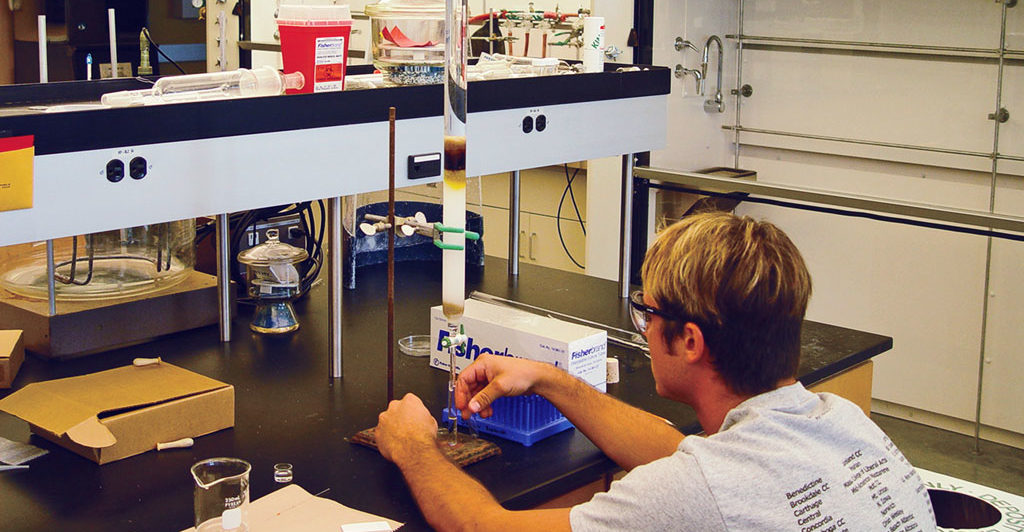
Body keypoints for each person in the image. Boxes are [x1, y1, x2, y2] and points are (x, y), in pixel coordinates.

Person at [374, 212, 936, 531]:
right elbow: (676, 452)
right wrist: (551, 379)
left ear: (690, 340)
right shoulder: (842, 422)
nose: (642, 329)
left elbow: (484, 529)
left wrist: (414, 446)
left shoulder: (696, 495)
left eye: (648, 313)